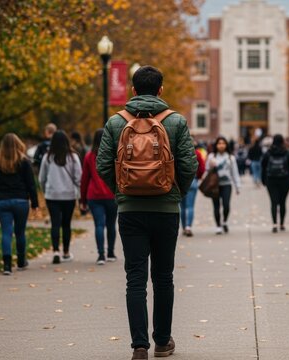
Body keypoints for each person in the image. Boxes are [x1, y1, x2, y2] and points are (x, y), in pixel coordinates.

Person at [96, 65, 197, 360]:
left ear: (133, 90)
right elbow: (190, 165)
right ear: (161, 90)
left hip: (131, 211)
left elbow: (103, 165)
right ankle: (163, 342)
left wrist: (122, 192)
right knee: (164, 276)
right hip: (166, 209)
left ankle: (139, 346)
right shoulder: (175, 121)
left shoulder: (116, 123)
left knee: (135, 278)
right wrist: (176, 193)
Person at [0, 133, 39, 275]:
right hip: (21, 201)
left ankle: (7, 265)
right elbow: (31, 184)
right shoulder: (24, 162)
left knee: (6, 232)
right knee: (20, 232)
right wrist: (34, 203)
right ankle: (21, 261)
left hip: (2, 201)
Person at [39, 130, 82, 264]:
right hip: (68, 195)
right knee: (66, 224)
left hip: (52, 195)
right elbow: (78, 177)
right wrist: (79, 193)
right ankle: (66, 252)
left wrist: (45, 189)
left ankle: (56, 251)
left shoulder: (47, 157)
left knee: (55, 223)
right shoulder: (73, 157)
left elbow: (41, 178)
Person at [80, 129, 118, 265]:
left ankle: (101, 255)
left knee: (99, 225)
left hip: (94, 196)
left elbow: (84, 179)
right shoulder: (114, 155)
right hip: (111, 195)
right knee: (111, 225)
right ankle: (111, 253)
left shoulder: (89, 156)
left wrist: (82, 200)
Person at [261, 134, 289, 233]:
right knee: (282, 202)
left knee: (273, 202)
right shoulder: (287, 153)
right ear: (282, 141)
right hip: (285, 180)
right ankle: (282, 224)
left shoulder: (268, 153)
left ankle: (274, 224)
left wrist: (263, 180)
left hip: (271, 180)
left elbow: (263, 167)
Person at [206, 136, 241, 235]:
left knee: (226, 205)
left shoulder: (231, 157)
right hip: (214, 185)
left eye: (223, 143)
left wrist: (237, 186)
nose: (221, 145)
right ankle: (218, 226)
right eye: (219, 143)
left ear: (226, 145)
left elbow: (235, 173)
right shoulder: (211, 156)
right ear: (216, 145)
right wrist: (210, 165)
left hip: (227, 184)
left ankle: (224, 221)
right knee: (216, 206)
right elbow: (207, 170)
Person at [180, 138, 206, 237]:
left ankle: (183, 227)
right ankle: (188, 227)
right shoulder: (197, 153)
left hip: (181, 182)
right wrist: (198, 177)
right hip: (193, 181)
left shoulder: (179, 154)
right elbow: (202, 168)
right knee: (190, 206)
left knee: (182, 207)